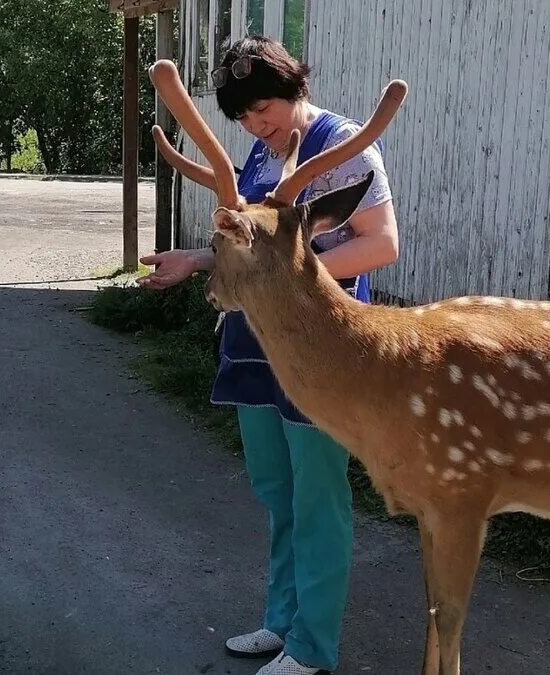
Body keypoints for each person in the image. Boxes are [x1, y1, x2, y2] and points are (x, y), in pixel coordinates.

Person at [141, 36, 399, 675]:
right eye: (245, 119)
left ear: (294, 90)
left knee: (317, 499)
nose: (258, 126)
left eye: (265, 110)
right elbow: (251, 252)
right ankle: (281, 622)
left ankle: (312, 646)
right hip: (257, 348)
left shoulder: (344, 147)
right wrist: (197, 260)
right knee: (277, 491)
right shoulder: (263, 152)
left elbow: (382, 245)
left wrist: (288, 282)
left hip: (323, 355)